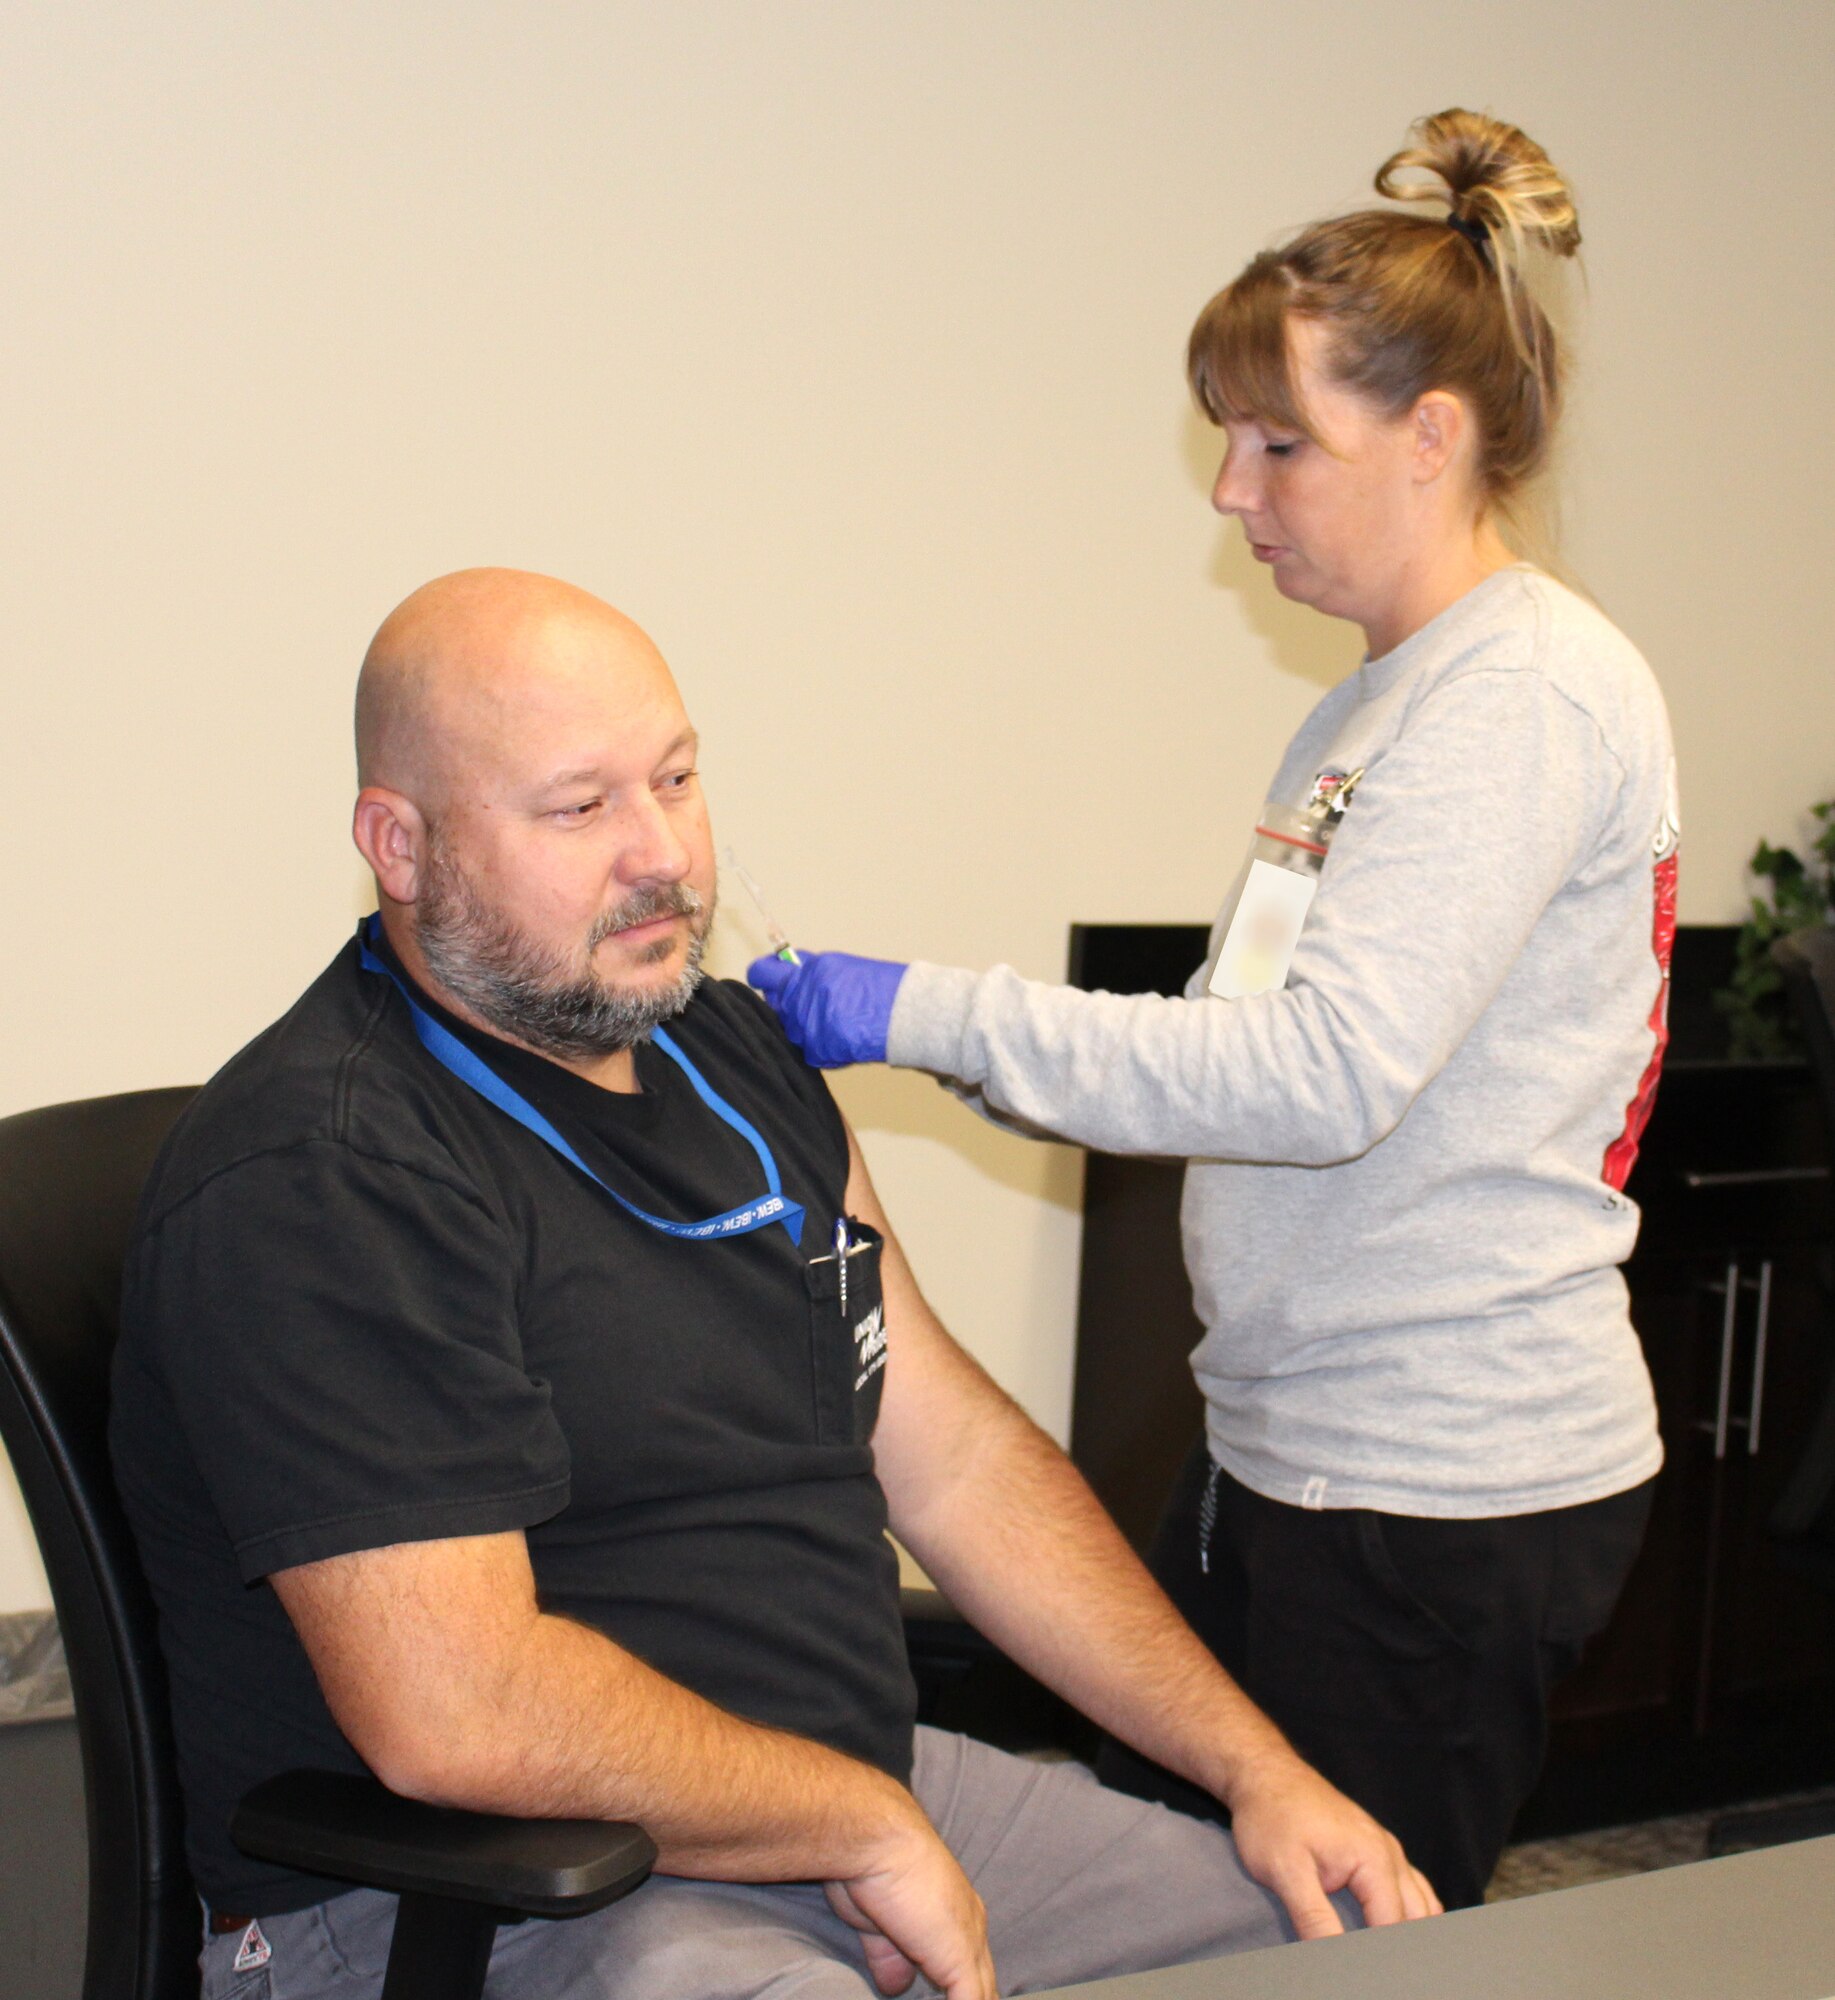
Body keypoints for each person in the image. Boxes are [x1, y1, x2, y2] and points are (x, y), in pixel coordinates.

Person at [110, 567, 1437, 2000]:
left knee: (1349, 1948)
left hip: (835, 1793)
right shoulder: (329, 1170)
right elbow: (461, 1713)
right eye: (581, 807)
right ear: (401, 845)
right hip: (489, 1886)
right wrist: (858, 1822)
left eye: (676, 779)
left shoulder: (732, 1057)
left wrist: (1256, 1772)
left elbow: (961, 1464)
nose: (662, 854)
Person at [749, 109, 1679, 1911]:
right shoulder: (1380, 703)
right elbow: (1230, 1044)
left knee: (1334, 1924)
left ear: (1433, 438)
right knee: (1181, 1885)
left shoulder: (1527, 698)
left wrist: (926, 1009)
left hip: (1434, 1487)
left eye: (1277, 446)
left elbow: (1323, 1078)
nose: (1232, 493)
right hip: (1301, 1448)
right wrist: (964, 1047)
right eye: (1226, 443)